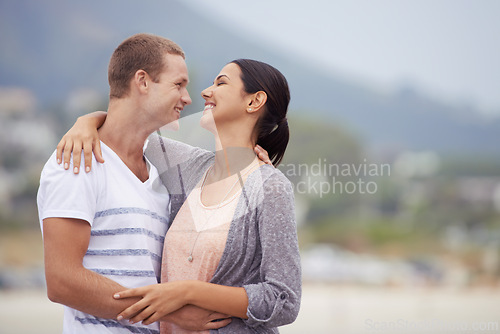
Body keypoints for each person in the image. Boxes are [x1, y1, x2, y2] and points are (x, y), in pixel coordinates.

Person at [58, 58, 301, 333]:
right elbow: (124, 129)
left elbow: (284, 300)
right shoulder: (188, 167)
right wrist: (85, 123)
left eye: (221, 83)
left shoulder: (270, 187)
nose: (205, 92)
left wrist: (189, 292)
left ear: (254, 101)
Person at [37, 33, 237, 333]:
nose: (187, 98)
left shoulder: (160, 173)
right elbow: (62, 282)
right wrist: (172, 315)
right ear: (142, 82)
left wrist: (250, 158)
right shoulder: (77, 162)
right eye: (178, 84)